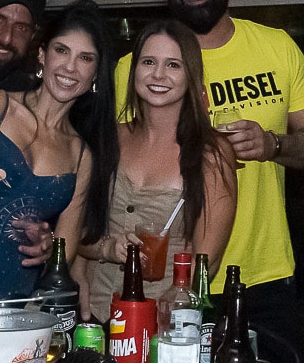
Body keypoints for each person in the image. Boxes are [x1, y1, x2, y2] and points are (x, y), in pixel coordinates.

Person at [125, 0, 304, 363]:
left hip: (263, 277)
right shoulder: (137, 67)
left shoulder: (276, 48)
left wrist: (273, 144)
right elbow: (114, 181)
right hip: (169, 283)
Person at [0, 1, 114, 305]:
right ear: (42, 54)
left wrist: (50, 247)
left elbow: (65, 249)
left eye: (85, 58)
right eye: (61, 50)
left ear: (96, 74)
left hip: (19, 308)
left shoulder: (81, 156)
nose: (70, 67)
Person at [80, 19, 235, 314]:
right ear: (134, 70)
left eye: (173, 65)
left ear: (191, 75)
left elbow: (207, 263)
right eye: (148, 62)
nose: (158, 74)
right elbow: (76, 233)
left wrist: (167, 319)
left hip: (164, 322)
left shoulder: (211, 153)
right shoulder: (108, 139)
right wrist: (106, 249)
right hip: (96, 315)